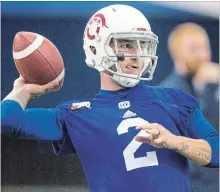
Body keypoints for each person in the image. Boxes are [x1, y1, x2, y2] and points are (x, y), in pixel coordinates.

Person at [1, 5, 219, 192]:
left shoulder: (176, 100)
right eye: (126, 44)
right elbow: (7, 120)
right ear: (97, 48)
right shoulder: (77, 114)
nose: (137, 53)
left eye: (142, 44)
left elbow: (216, 152)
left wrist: (176, 141)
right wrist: (23, 90)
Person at [160, 22, 219, 192]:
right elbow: (204, 139)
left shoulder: (213, 83)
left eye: (205, 47)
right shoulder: (168, 94)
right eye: (194, 49)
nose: (202, 55)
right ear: (176, 52)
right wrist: (207, 91)